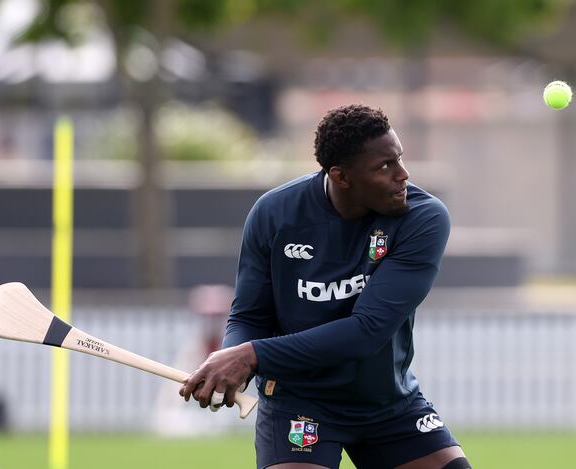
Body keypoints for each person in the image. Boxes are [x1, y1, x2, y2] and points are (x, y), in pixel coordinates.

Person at [180, 104, 471, 469]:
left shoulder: (423, 217)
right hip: (299, 403)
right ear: (341, 176)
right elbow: (250, 314)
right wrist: (233, 357)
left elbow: (367, 331)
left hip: (386, 403)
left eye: (399, 159)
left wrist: (251, 355)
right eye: (384, 166)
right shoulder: (274, 214)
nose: (403, 175)